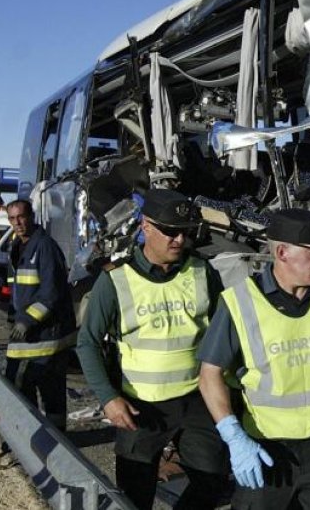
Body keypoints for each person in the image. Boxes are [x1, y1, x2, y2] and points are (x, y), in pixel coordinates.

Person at [198, 208, 310, 510]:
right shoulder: (240, 303)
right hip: (267, 449)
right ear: (282, 252)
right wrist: (232, 436)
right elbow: (209, 375)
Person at [76, 188, 229, 510]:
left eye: (185, 233)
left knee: (213, 483)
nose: (179, 240)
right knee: (134, 498)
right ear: (146, 226)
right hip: (140, 408)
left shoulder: (203, 272)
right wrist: (108, 398)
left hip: (196, 400)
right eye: (170, 231)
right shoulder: (116, 279)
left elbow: (224, 335)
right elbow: (87, 342)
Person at [4, 198, 76, 431]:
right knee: (30, 389)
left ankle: (50, 444)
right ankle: (39, 441)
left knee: (36, 389)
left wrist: (25, 321)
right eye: (12, 219)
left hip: (45, 337)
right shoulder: (17, 247)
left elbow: (50, 293)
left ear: (31, 216)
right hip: (32, 336)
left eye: (22, 217)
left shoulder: (44, 247)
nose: (18, 223)